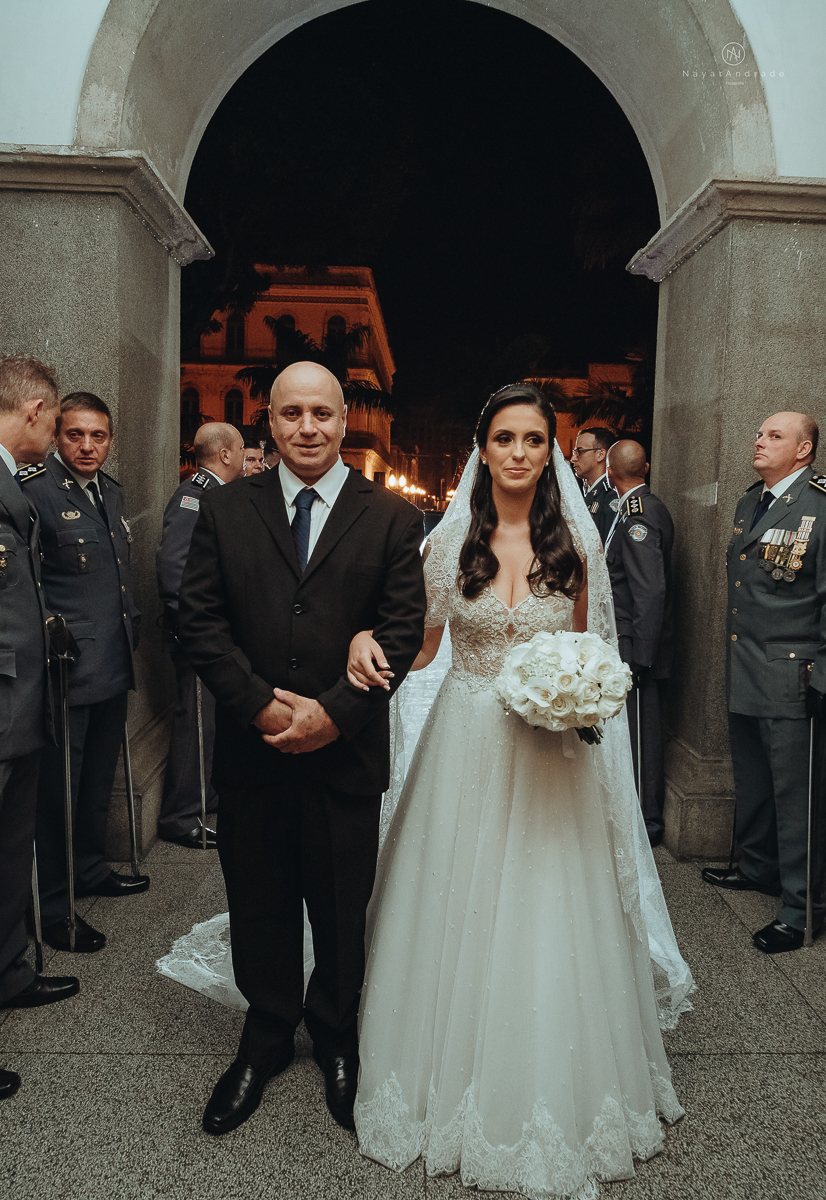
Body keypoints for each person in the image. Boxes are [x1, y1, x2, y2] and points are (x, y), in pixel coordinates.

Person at [349, 384, 690, 1198]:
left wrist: (580, 698)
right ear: (482, 446)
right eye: (504, 438)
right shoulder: (447, 546)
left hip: (549, 756)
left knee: (548, 909)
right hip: (464, 741)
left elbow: (590, 654)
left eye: (534, 441)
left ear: (551, 452)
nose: (519, 454)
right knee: (451, 903)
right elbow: (422, 648)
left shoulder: (575, 545)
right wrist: (362, 639)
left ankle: (549, 1077)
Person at [178, 361, 426, 1136]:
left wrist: (334, 714)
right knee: (258, 900)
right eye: (292, 414)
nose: (307, 427)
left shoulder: (388, 516)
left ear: (344, 417)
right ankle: (266, 1033)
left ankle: (336, 1033)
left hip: (343, 757)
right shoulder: (226, 510)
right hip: (254, 756)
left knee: (341, 907)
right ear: (270, 422)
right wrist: (258, 709)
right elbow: (199, 620)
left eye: (321, 412)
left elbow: (402, 628)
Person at [23, 392, 149, 954]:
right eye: (76, 434)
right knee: (59, 791)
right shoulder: (34, 495)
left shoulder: (112, 492)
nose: (87, 446)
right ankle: (54, 905)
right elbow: (31, 586)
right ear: (56, 435)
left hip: (113, 663)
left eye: (98, 436)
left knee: (97, 778)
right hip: (66, 670)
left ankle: (91, 867)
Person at [703, 411, 826, 953]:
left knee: (797, 799)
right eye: (758, 432)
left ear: (803, 451)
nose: (759, 440)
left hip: (794, 676)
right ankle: (758, 868)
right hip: (746, 665)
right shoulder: (750, 501)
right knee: (755, 782)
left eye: (774, 435)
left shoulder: (820, 507)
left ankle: (802, 910)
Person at [0, 356, 78, 1102]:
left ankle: (7, 975)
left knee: (6, 854)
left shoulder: (9, 483)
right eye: (55, 420)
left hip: (18, 709)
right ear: (35, 411)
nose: (53, 434)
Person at [156, 423, 244, 848]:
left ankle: (204, 799)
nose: (246, 460)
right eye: (243, 451)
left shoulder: (215, 495)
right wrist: (195, 630)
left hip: (217, 635)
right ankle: (179, 816)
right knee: (194, 725)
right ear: (225, 455)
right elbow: (174, 569)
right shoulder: (194, 495)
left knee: (208, 724)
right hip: (198, 638)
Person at [604, 440, 674, 846]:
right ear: (644, 467)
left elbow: (649, 590)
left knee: (641, 732)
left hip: (636, 643)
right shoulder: (642, 505)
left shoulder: (638, 514)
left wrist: (643, 658)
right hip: (630, 637)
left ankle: (648, 822)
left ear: (611, 471)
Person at [571, 425, 618, 542]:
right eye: (574, 452)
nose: (573, 458)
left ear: (601, 455)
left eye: (580, 452)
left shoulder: (611, 495)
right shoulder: (587, 490)